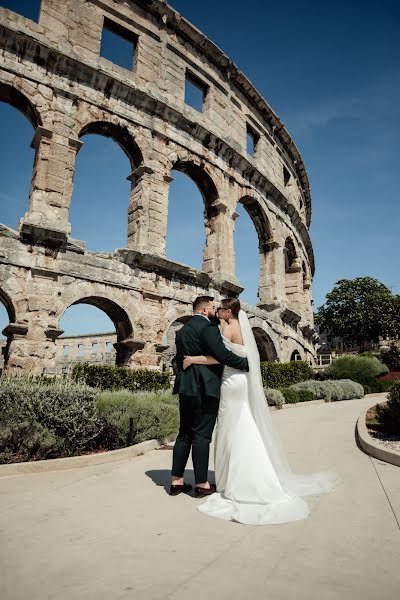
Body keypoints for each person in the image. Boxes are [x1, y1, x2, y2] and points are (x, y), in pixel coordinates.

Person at [182, 297, 337, 525]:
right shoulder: (240, 327)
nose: (218, 311)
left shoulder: (228, 329)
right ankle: (249, 475)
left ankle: (233, 481)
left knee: (230, 428)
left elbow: (221, 357)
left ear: (228, 312)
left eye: (221, 309)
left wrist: (193, 358)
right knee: (243, 423)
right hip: (241, 383)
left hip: (230, 382)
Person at [170, 296, 249, 498]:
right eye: (213, 308)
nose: (216, 311)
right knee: (202, 435)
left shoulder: (182, 331)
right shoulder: (208, 328)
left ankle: (176, 481)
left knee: (184, 433)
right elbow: (222, 355)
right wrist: (247, 364)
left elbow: (179, 360)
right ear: (204, 310)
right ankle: (202, 484)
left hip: (185, 386)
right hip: (204, 387)